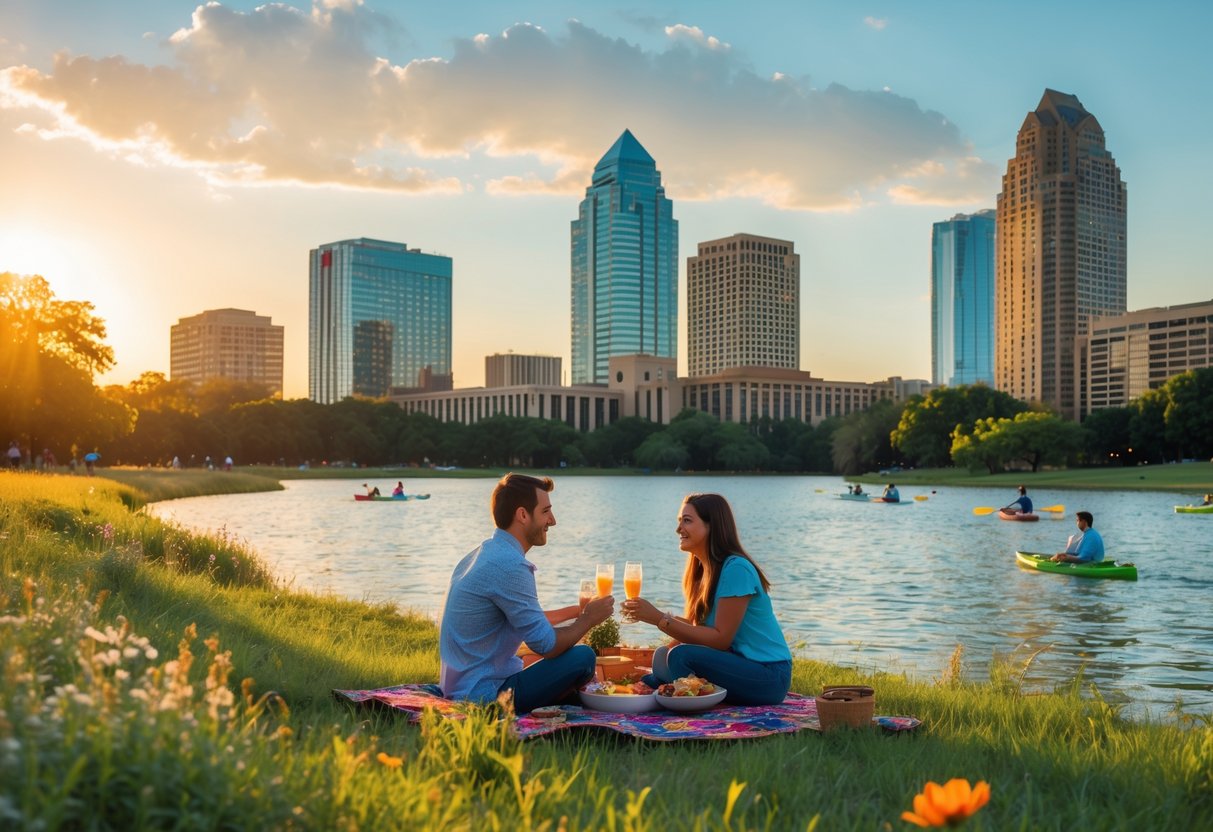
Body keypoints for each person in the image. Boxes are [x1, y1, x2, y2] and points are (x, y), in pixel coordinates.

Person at [439, 473, 614, 713]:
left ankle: (564, 696)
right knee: (582, 657)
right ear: (522, 515)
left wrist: (577, 611)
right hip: (484, 696)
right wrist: (588, 619)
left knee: (542, 660)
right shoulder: (510, 566)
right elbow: (546, 645)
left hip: (462, 687)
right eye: (545, 511)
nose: (552, 521)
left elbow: (528, 619)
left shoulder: (485, 554)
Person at [620, 493, 792, 706]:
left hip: (769, 675)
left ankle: (681, 695)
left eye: (687, 520)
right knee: (663, 656)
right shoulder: (702, 571)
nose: (678, 528)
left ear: (712, 526)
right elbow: (697, 628)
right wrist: (662, 651)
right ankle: (657, 687)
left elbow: (720, 639)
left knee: (681, 657)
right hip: (739, 665)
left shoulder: (736, 569)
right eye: (679, 521)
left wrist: (658, 618)